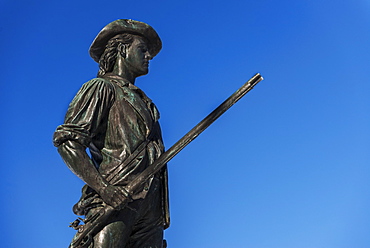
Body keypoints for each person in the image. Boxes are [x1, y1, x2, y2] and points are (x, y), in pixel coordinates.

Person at [53, 19, 169, 248]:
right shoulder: (101, 87)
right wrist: (104, 188)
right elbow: (68, 141)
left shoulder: (145, 101)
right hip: (118, 198)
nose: (149, 56)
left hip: (151, 207)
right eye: (142, 49)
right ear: (123, 49)